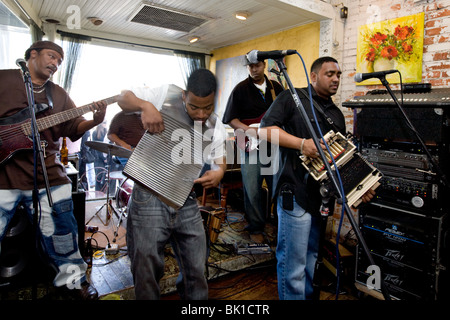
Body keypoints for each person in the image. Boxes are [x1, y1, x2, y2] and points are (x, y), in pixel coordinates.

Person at [259, 57, 375, 300]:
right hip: (295, 194)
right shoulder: (292, 98)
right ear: (313, 76)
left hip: (321, 200)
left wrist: (357, 188)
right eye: (329, 74)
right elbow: (265, 129)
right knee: (293, 266)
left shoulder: (337, 114)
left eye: (338, 75)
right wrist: (302, 144)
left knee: (311, 259)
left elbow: (340, 160)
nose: (335, 79)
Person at [0, 40, 107, 299]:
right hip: (4, 178)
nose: (55, 64)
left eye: (59, 61)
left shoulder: (58, 94)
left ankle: (72, 285)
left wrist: (94, 120)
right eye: (51, 57)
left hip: (48, 175)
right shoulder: (4, 80)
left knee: (64, 236)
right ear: (32, 55)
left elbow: (73, 126)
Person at [117, 69, 227, 300]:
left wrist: (219, 172)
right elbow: (122, 97)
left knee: (196, 266)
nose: (200, 113)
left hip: (185, 199)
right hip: (148, 197)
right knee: (146, 268)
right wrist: (146, 105)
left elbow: (220, 159)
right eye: (194, 106)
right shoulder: (166, 95)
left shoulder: (214, 123)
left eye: (207, 107)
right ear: (185, 96)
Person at [221, 52, 284, 243]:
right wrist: (249, 130)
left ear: (264, 65)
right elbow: (230, 120)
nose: (254, 69)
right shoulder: (240, 89)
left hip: (273, 144)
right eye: (250, 66)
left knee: (278, 186)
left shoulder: (276, 87)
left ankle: (278, 222)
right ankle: (255, 226)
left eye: (257, 65)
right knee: (252, 188)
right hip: (248, 143)